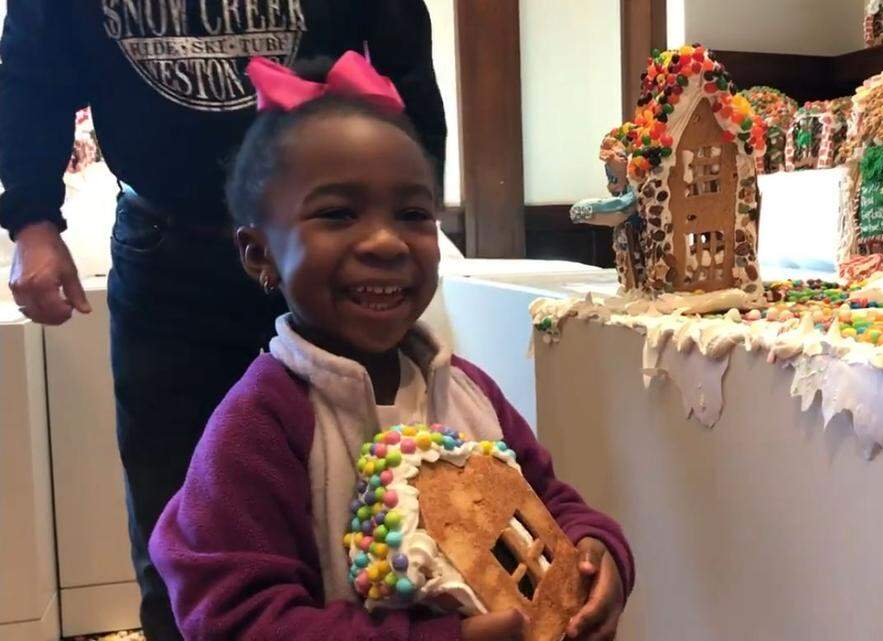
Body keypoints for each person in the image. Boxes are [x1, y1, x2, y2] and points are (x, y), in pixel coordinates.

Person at [148, 53, 633, 640]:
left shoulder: (469, 392)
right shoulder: (259, 426)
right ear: (260, 253)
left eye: (412, 213)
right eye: (337, 213)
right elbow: (237, 619)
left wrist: (595, 549)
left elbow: (548, 499)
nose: (384, 241)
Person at [0, 3, 446, 639]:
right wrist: (32, 218)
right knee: (173, 520)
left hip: (328, 249)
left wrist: (413, 219)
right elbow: (33, 69)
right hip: (169, 246)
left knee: (373, 501)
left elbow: (406, 68)